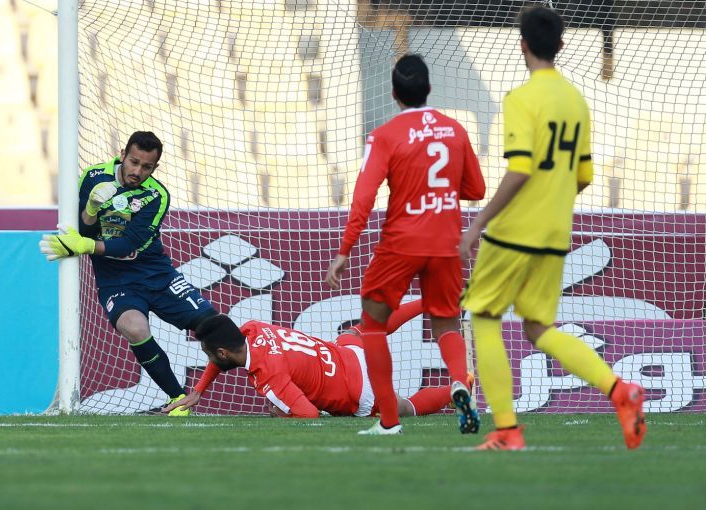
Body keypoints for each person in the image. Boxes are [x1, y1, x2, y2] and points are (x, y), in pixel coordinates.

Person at [458, 7, 646, 450]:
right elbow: (583, 177)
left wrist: (478, 222)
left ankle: (507, 430)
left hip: (513, 231)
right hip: (554, 233)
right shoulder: (576, 102)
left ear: (522, 44)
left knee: (483, 317)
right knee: (538, 328)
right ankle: (620, 390)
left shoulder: (521, 99)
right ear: (561, 46)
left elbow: (521, 169)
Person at [324, 54, 486, 435]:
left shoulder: (385, 135)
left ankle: (389, 421)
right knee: (446, 323)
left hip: (401, 242)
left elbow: (364, 197)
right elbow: (476, 189)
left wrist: (345, 250)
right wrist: (440, 190)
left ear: (394, 94)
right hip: (446, 241)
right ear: (429, 88)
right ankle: (460, 382)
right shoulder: (455, 130)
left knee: (373, 325)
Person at [39, 131, 217, 416]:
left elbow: (128, 244)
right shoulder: (94, 176)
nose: (138, 171)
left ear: (155, 167)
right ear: (122, 154)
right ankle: (179, 400)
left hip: (157, 274)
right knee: (135, 328)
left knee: (214, 326)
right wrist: (91, 208)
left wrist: (85, 246)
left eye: (147, 167)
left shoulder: (156, 195)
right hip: (116, 279)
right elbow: (83, 229)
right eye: (134, 162)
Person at [165, 300, 473, 419]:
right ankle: (429, 301)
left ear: (222, 353)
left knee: (403, 407)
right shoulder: (253, 328)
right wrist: (199, 390)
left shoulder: (269, 376)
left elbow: (309, 415)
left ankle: (456, 391)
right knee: (362, 329)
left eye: (209, 354)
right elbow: (221, 355)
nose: (209, 360)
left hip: (357, 389)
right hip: (347, 353)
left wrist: (281, 414)